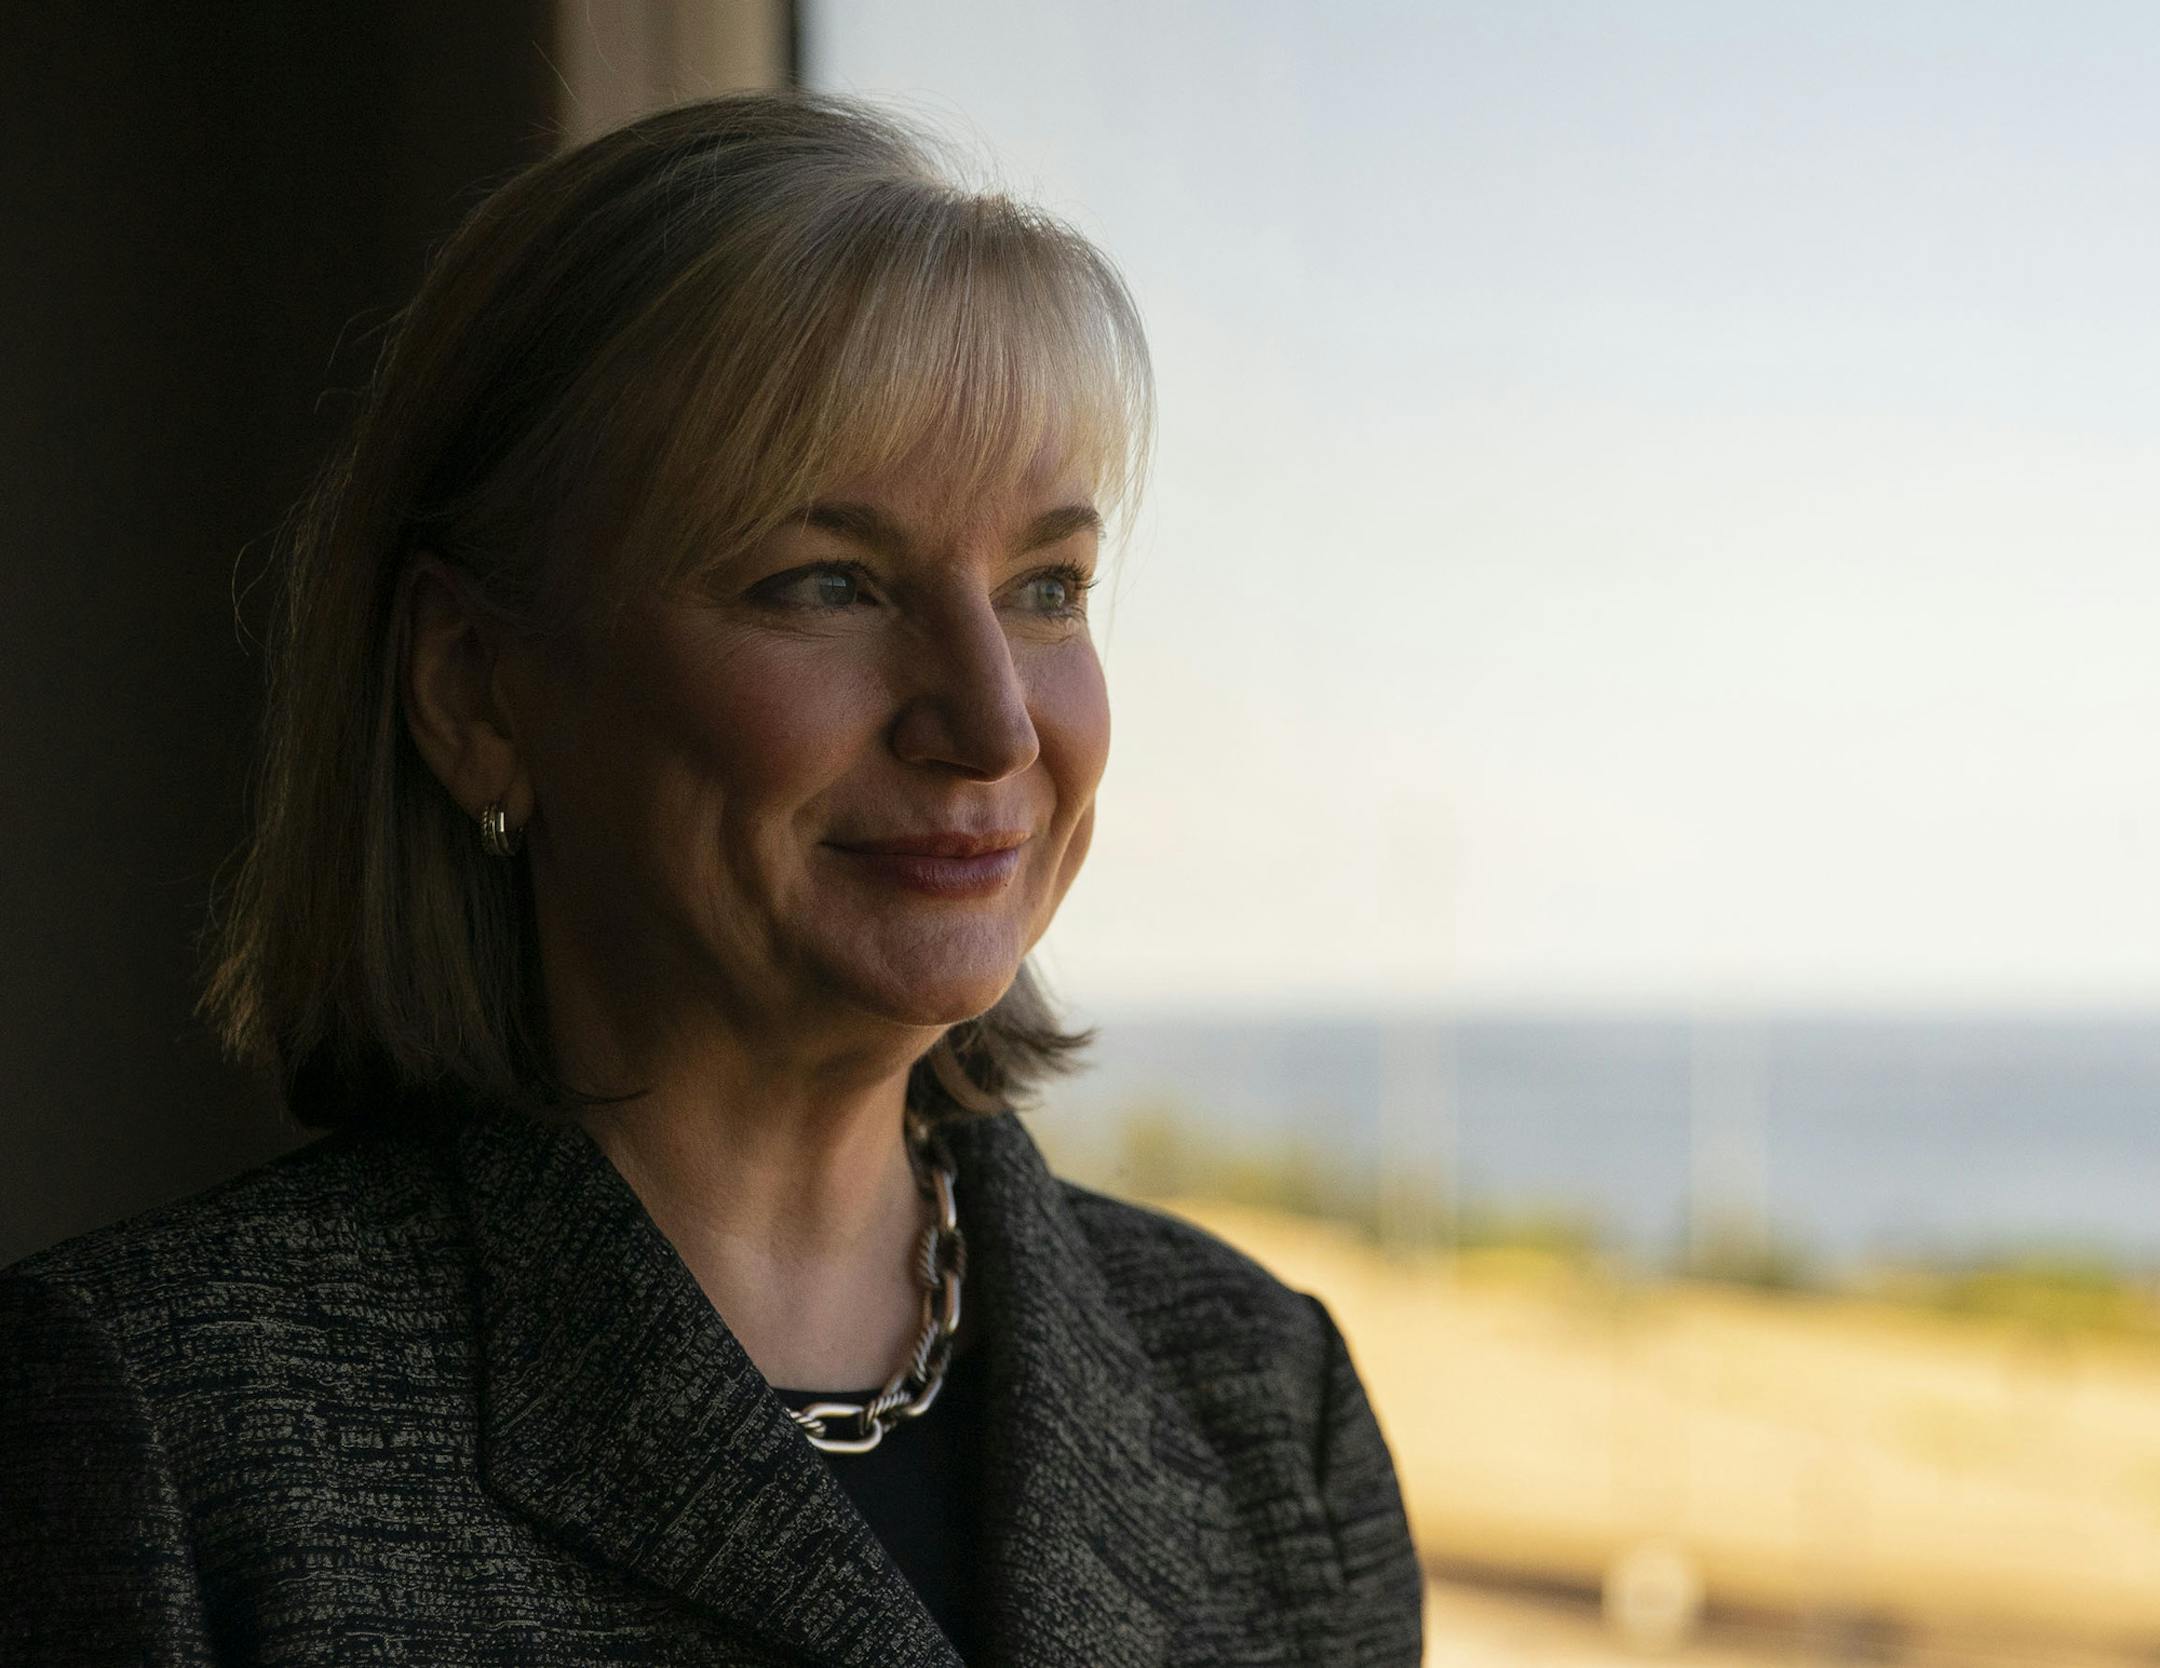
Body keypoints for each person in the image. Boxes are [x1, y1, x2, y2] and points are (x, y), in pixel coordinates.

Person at [0, 91, 1423, 1666]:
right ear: (476, 691)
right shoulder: (153, 1435)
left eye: (1046, 587)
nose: (993, 723)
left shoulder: (1264, 1404)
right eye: (827, 581)